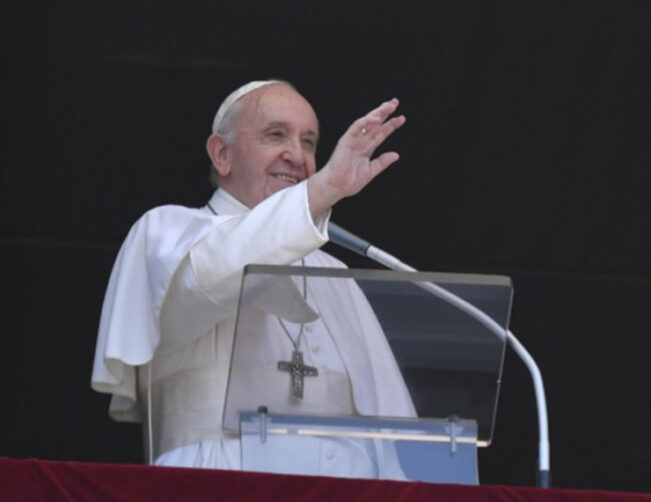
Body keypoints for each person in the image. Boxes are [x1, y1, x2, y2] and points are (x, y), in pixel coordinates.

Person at [90, 80, 416, 479]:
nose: (297, 155)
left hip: (348, 501)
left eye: (310, 142)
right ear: (222, 154)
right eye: (275, 134)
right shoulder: (166, 231)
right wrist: (324, 189)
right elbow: (212, 275)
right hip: (217, 488)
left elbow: (398, 432)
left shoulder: (334, 273)